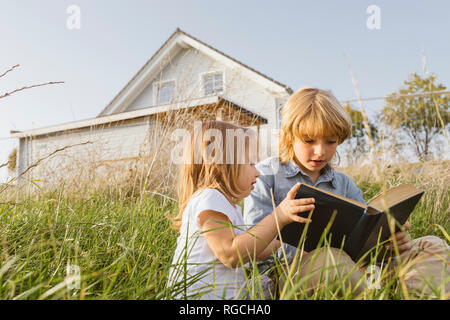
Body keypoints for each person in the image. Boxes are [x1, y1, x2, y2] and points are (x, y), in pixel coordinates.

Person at [244, 87, 450, 299]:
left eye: (330, 142)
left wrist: (388, 243)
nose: (320, 151)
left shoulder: (343, 184)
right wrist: (309, 253)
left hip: (357, 270)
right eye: (309, 141)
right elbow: (252, 250)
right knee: (330, 258)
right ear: (289, 136)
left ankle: (408, 294)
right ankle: (374, 291)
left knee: (431, 245)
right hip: (291, 276)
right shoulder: (265, 176)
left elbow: (364, 239)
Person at [166, 120, 315, 300]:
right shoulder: (209, 199)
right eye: (251, 163)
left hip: (226, 296)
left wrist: (279, 244)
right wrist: (279, 216)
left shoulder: (227, 205)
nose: (257, 172)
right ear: (222, 166)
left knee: (268, 285)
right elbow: (231, 255)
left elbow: (250, 251)